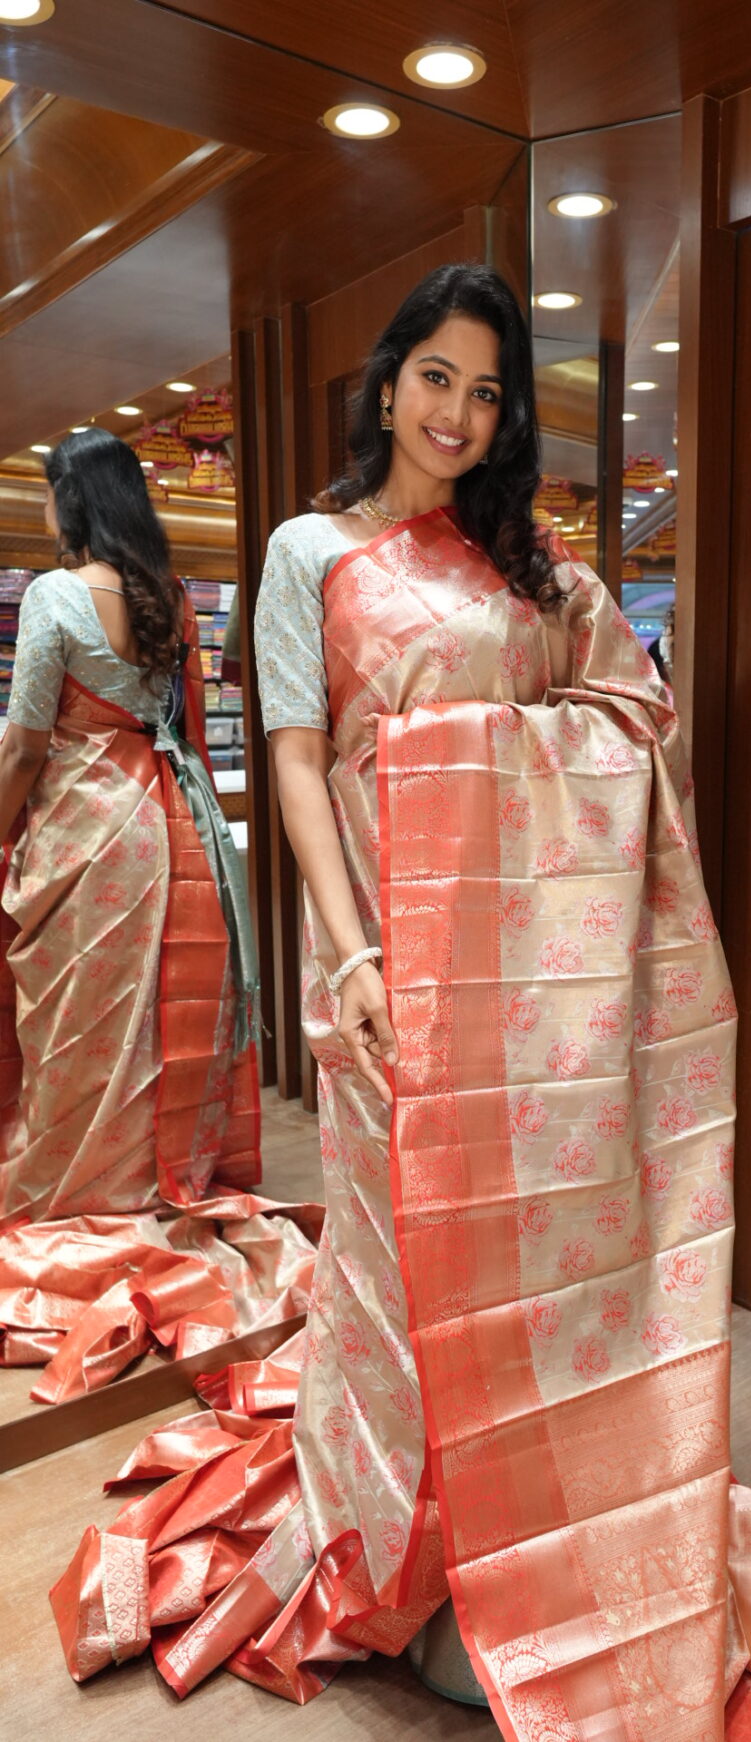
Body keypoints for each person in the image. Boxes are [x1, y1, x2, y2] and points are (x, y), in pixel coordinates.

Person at [52, 271, 751, 1740]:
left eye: (487, 391)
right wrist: (348, 955)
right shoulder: (309, 552)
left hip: (534, 997)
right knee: (403, 1268)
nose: (457, 414)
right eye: (436, 378)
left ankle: (525, 1547)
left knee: (533, 1269)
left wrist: (488, 744)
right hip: (389, 973)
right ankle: (411, 1547)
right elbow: (298, 757)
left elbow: (633, 718)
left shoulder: (533, 566)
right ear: (389, 380)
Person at [0, 429, 314, 1401]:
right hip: (171, 825)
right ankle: (156, 1187)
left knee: (81, 1031)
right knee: (151, 1028)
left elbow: (24, 744)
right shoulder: (168, 598)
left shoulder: (55, 596)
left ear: (71, 500)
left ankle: (79, 1203)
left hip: (88, 832)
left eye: (49, 493)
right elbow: (177, 721)